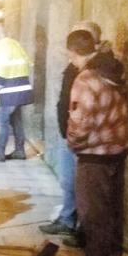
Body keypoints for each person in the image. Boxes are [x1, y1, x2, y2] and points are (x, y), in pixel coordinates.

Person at [63, 29, 128, 256]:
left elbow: (80, 119)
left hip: (94, 152)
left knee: (92, 210)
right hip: (116, 149)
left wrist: (73, 143)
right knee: (111, 205)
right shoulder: (112, 71)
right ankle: (112, 249)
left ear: (73, 52)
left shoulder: (86, 79)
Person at [40, 21, 103, 236]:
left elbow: (84, 109)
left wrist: (74, 137)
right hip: (69, 131)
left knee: (76, 183)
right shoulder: (79, 68)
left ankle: (76, 226)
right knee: (69, 181)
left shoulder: (90, 73)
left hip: (78, 137)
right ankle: (69, 218)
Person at [0, 23, 33, 162]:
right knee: (17, 121)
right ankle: (20, 150)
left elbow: (1, 74)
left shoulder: (2, 48)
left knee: (1, 120)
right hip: (21, 90)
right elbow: (29, 63)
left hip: (10, 92)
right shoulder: (15, 45)